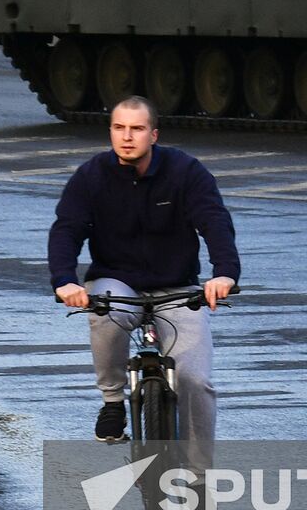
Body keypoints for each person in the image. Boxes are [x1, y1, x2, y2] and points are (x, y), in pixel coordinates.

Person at [48, 96, 239, 473]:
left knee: (195, 380)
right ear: (111, 132)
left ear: (153, 134)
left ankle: (200, 477)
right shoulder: (91, 176)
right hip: (117, 283)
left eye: (136, 129)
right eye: (119, 128)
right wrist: (65, 281)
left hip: (178, 289)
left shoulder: (185, 171)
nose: (127, 137)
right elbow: (67, 230)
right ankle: (113, 401)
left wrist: (225, 274)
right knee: (104, 311)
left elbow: (214, 222)